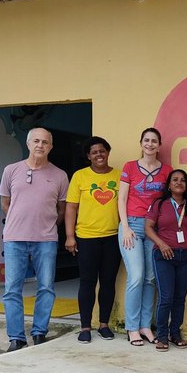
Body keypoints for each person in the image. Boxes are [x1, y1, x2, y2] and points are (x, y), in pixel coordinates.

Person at [0, 127, 68, 352]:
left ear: (51, 146)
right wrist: (19, 222)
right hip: (14, 239)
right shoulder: (11, 170)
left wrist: (46, 225)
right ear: (28, 144)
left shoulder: (60, 175)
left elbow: (62, 209)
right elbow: (5, 203)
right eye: (36, 141)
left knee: (46, 287)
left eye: (45, 142)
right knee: (12, 289)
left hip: (46, 239)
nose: (40, 145)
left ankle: (39, 333)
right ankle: (16, 338)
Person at [118, 128, 173, 346]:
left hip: (153, 228)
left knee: (151, 279)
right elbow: (121, 199)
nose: (150, 144)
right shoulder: (130, 167)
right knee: (137, 276)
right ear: (141, 143)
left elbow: (168, 201)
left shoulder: (167, 170)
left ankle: (144, 326)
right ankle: (131, 327)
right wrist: (126, 227)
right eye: (146, 140)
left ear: (159, 145)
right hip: (131, 224)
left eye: (154, 141)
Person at [65, 136, 122, 344]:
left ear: (108, 152)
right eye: (94, 152)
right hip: (86, 237)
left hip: (112, 237)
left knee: (108, 282)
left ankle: (104, 324)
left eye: (102, 150)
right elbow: (71, 207)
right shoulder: (80, 176)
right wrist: (70, 236)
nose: (99, 154)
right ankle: (85, 326)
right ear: (88, 156)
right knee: (87, 282)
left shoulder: (119, 175)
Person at [145, 169, 187, 352]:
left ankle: (175, 333)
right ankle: (162, 336)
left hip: (186, 256)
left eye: (183, 180)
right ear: (169, 184)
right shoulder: (160, 204)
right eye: (175, 180)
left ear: (186, 185)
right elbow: (148, 228)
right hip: (164, 255)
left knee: (180, 298)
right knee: (166, 298)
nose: (179, 183)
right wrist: (162, 244)